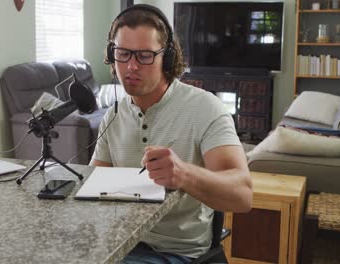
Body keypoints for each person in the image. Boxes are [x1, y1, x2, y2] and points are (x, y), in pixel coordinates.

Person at [90, 4, 253, 264]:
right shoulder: (113, 115)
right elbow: (94, 187)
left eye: (144, 56)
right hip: (118, 242)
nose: (131, 66)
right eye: (123, 53)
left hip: (174, 251)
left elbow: (243, 196)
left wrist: (184, 175)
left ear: (166, 58)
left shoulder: (205, 108)